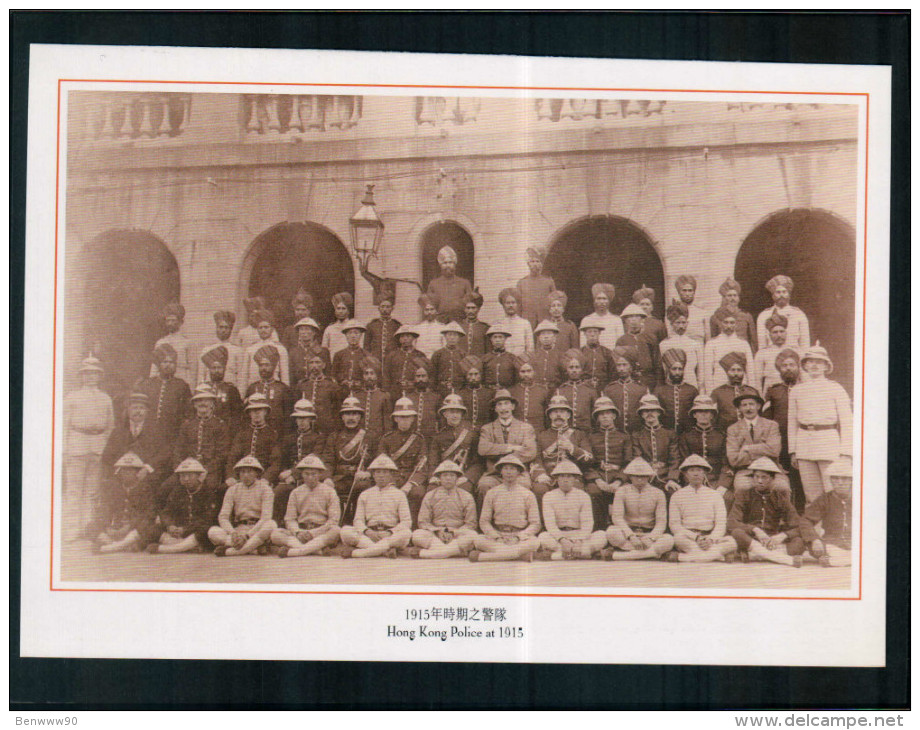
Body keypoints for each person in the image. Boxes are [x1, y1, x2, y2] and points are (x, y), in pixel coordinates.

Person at [788, 344, 853, 504]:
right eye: (810, 361)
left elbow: (847, 421)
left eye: (819, 361)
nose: (815, 365)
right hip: (804, 444)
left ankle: (833, 527)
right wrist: (793, 450)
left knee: (832, 490)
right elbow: (792, 421)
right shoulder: (797, 390)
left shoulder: (836, 388)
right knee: (811, 493)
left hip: (828, 443)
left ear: (826, 365)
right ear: (804, 365)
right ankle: (815, 529)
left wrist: (846, 452)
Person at [63, 356, 114, 541]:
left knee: (93, 490)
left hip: (98, 445)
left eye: (95, 373)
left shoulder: (105, 398)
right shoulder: (72, 397)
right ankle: (71, 528)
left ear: (100, 376)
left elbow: (110, 426)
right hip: (77, 444)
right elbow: (64, 424)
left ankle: (88, 526)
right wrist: (64, 449)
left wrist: (104, 446)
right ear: (81, 376)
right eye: (87, 373)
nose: (91, 376)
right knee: (74, 489)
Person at [727, 456, 805, 567]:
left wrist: (782, 536)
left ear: (773, 479)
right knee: (736, 533)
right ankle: (780, 557)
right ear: (752, 478)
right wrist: (755, 530)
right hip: (751, 539)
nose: (759, 481)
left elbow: (798, 526)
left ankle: (755, 554)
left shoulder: (779, 497)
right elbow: (732, 522)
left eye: (764, 477)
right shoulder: (744, 495)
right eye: (756, 477)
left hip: (773, 540)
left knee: (799, 543)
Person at [99, 392, 170, 510]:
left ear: (147, 411)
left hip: (146, 472)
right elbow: (107, 456)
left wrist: (147, 468)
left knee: (149, 488)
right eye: (134, 408)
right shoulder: (118, 431)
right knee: (111, 487)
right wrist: (119, 470)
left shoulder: (157, 431)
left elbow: (165, 453)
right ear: (128, 410)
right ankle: (116, 520)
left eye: (142, 408)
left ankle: (139, 522)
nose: (138, 411)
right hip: (121, 473)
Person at [469, 454, 541, 563]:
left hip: (519, 536)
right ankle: (518, 555)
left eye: (512, 469)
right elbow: (484, 521)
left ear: (518, 472)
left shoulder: (528, 494)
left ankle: (484, 557)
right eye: (505, 468)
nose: (509, 472)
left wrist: (518, 537)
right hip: (498, 536)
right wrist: (496, 537)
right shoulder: (492, 493)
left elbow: (535, 523)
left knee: (535, 542)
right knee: (478, 540)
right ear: (500, 472)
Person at [667, 454, 737, 563]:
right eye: (692, 470)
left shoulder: (715, 495)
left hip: (710, 537)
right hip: (688, 538)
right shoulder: (677, 495)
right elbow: (674, 525)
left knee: (732, 542)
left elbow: (721, 523)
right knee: (677, 538)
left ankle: (682, 557)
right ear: (685, 474)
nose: (696, 474)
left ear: (704, 473)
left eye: (699, 470)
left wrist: (711, 539)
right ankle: (717, 556)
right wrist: (695, 537)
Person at [340, 454, 412, 559]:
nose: (381, 476)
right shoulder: (365, 494)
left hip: (390, 534)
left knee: (406, 533)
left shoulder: (399, 494)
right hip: (369, 535)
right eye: (378, 472)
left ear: (391, 475)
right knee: (345, 531)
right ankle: (385, 551)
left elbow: (406, 522)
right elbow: (358, 520)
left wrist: (389, 532)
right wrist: (367, 531)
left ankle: (359, 553)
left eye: (385, 472)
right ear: (373, 474)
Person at [603, 457, 674, 561]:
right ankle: (652, 553)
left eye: (643, 476)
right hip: (627, 534)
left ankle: (619, 556)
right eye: (636, 476)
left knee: (669, 539)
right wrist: (631, 536)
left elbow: (661, 521)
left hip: (649, 533)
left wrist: (650, 538)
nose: (640, 479)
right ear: (630, 477)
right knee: (611, 532)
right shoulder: (622, 491)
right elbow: (617, 517)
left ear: (649, 477)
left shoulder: (658, 493)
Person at [271, 455, 341, 558]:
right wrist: (298, 532)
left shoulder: (330, 491)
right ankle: (317, 550)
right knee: (275, 534)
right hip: (301, 532)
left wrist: (313, 533)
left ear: (320, 474)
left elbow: (333, 520)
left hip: (320, 531)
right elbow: (290, 519)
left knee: (336, 530)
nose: (310, 478)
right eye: (306, 474)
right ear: (302, 474)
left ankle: (293, 552)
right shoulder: (295, 492)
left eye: (314, 474)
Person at [408, 460, 479, 559]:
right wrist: (437, 531)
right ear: (439, 478)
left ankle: (428, 553)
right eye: (445, 475)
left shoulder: (466, 496)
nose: (448, 478)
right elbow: (423, 522)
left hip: (457, 536)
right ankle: (453, 552)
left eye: (452, 475)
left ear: (457, 478)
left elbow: (471, 523)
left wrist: (454, 532)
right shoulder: (430, 495)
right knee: (417, 534)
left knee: (473, 535)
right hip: (435, 536)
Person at [92, 452, 160, 554]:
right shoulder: (114, 489)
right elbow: (104, 510)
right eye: (123, 470)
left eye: (129, 471)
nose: (125, 474)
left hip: (133, 530)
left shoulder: (146, 489)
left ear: (137, 473)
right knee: (90, 526)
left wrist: (129, 527)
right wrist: (108, 527)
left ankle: (112, 547)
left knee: (151, 528)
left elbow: (148, 515)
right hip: (115, 529)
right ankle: (120, 545)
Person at [476, 389, 538, 501]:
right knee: (484, 485)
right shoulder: (487, 428)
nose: (503, 408)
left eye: (506, 404)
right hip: (494, 473)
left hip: (518, 473)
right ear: (495, 409)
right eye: (499, 404)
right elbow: (483, 449)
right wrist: (510, 447)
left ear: (512, 407)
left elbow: (530, 451)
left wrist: (498, 454)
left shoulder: (525, 428)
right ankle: (486, 518)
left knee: (524, 485)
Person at [149, 457, 219, 555]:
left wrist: (185, 529)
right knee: (152, 529)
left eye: (190, 475)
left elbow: (208, 519)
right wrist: (170, 526)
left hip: (195, 532)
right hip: (178, 533)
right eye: (182, 476)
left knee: (206, 530)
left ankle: (167, 549)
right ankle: (187, 547)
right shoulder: (178, 491)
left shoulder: (208, 492)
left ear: (199, 476)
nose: (186, 479)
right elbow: (166, 512)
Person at [209, 455, 277, 556]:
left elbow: (265, 517)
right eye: (242, 472)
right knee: (213, 531)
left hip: (257, 528)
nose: (246, 475)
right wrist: (233, 533)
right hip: (239, 530)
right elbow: (223, 516)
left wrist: (247, 536)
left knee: (271, 524)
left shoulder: (265, 489)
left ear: (257, 473)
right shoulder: (233, 489)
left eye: (250, 471)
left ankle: (229, 552)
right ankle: (253, 548)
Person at [323, 396, 376, 524]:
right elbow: (328, 460)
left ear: (360, 417)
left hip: (360, 477)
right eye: (347, 414)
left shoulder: (369, 436)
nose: (351, 417)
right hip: (339, 477)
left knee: (364, 488)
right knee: (326, 488)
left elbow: (375, 460)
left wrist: (367, 473)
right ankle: (334, 522)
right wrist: (327, 478)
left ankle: (359, 522)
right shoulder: (334, 436)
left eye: (354, 414)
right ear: (342, 417)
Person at [538, 460, 606, 560]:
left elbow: (587, 523)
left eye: (569, 476)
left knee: (602, 535)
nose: (565, 480)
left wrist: (579, 541)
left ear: (575, 479)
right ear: (557, 479)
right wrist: (562, 540)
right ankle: (584, 553)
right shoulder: (549, 496)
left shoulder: (583, 496)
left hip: (579, 535)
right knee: (542, 537)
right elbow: (550, 524)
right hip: (559, 536)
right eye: (562, 476)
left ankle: (559, 555)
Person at [274, 399, 328, 524]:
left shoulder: (318, 437)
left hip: (310, 474)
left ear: (311, 419)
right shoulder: (289, 438)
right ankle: (280, 524)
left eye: (305, 418)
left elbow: (315, 458)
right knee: (280, 491)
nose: (302, 421)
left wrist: (293, 473)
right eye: (299, 418)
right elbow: (283, 459)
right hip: (290, 477)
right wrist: (285, 473)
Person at [532, 395, 594, 503]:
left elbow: (589, 459)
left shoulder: (579, 434)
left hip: (572, 476)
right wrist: (540, 474)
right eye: (555, 412)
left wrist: (572, 448)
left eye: (562, 411)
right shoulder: (542, 435)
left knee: (576, 491)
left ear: (568, 415)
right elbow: (536, 458)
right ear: (550, 415)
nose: (558, 415)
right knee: (539, 490)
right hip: (549, 475)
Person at [171, 384, 231, 495]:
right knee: (167, 487)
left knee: (208, 489)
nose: (202, 403)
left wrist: (206, 470)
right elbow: (178, 450)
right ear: (194, 404)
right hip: (186, 468)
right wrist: (180, 470)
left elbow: (222, 455)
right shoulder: (187, 425)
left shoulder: (220, 425)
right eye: (198, 401)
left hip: (209, 470)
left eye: (206, 400)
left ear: (212, 403)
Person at [378, 397, 430, 523]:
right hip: (392, 477)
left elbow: (422, 466)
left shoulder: (419, 439)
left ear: (413, 419)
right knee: (387, 492)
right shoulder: (386, 439)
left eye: (408, 417)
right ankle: (388, 524)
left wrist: (411, 484)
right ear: (395, 419)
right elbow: (381, 465)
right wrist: (389, 481)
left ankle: (412, 526)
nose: (405, 421)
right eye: (401, 417)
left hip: (411, 478)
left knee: (417, 493)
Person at [726, 391, 790, 493]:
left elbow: (774, 451)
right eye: (744, 405)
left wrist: (747, 449)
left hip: (771, 471)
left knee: (782, 488)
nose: (748, 408)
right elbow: (733, 459)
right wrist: (764, 450)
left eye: (751, 404)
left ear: (758, 406)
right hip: (746, 471)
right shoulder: (733, 429)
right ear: (740, 409)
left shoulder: (771, 425)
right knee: (742, 488)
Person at [764, 348, 803, 505]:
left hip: (801, 439)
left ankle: (800, 510)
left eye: (792, 364)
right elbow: (766, 419)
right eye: (784, 365)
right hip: (780, 441)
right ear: (779, 369)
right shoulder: (773, 391)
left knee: (801, 476)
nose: (788, 368)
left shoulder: (805, 389)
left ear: (798, 367)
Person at [585, 396, 630, 526]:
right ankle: (600, 529)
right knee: (594, 492)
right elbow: (587, 463)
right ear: (597, 418)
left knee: (623, 491)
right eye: (601, 414)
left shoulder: (624, 436)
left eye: (608, 413)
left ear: (614, 416)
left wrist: (618, 481)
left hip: (618, 476)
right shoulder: (591, 437)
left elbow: (628, 462)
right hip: (597, 476)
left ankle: (622, 528)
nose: (604, 417)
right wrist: (598, 480)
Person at [135, 343, 192, 443]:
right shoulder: (147, 384)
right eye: (165, 362)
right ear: (158, 364)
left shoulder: (182, 386)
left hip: (172, 436)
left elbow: (188, 413)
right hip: (148, 434)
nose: (168, 365)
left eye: (172, 362)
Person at [225, 393, 283, 490]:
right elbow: (232, 458)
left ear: (265, 412)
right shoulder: (242, 434)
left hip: (261, 476)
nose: (256, 413)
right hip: (242, 476)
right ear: (249, 413)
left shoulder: (273, 434)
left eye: (259, 410)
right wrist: (231, 476)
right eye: (253, 410)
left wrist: (266, 478)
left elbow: (275, 462)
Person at [801, 459, 853, 567]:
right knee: (816, 549)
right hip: (832, 544)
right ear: (830, 480)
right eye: (835, 478)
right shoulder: (825, 499)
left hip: (856, 543)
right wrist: (814, 539)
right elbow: (806, 520)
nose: (840, 482)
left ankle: (836, 560)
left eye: (844, 478)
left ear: (851, 480)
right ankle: (850, 559)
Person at [679, 394, 732, 498]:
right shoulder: (686, 436)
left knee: (727, 497)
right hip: (693, 479)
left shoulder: (721, 436)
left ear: (712, 415)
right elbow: (683, 463)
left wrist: (722, 485)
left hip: (716, 479)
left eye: (707, 412)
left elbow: (726, 463)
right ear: (694, 415)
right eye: (699, 412)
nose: (703, 415)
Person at [429, 394, 483, 491]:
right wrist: (435, 476)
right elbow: (433, 462)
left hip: (464, 474)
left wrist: (467, 477)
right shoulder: (438, 436)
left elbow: (478, 462)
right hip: (444, 475)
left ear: (462, 414)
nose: (455, 415)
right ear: (445, 414)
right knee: (432, 490)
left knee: (464, 489)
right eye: (451, 412)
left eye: (458, 412)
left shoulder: (472, 434)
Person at [629, 394, 681, 494]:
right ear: (641, 414)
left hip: (665, 477)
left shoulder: (669, 434)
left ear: (658, 412)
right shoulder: (637, 435)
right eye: (646, 411)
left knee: (672, 491)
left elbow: (674, 459)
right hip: (645, 477)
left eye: (653, 410)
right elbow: (637, 458)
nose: (649, 413)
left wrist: (672, 479)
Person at [244, 344, 294, 436]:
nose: (264, 368)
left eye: (267, 365)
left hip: (278, 434)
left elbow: (288, 417)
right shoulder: (252, 388)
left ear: (274, 367)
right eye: (261, 365)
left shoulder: (283, 389)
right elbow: (246, 415)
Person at [703, 306, 754, 393]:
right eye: (725, 322)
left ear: (736, 324)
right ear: (720, 323)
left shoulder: (743, 343)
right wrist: (710, 393)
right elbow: (708, 372)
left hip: (741, 386)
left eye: (732, 322)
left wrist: (751, 391)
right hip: (719, 386)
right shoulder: (711, 344)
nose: (729, 326)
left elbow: (750, 370)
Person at [757, 275, 811, 351]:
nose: (781, 295)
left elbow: (805, 344)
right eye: (778, 292)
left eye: (784, 292)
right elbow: (762, 345)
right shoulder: (764, 316)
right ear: (773, 295)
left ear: (789, 294)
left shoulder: (799, 314)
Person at [653, 348, 698, 437]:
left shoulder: (692, 390)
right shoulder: (659, 390)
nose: (677, 372)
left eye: (680, 369)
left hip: (687, 435)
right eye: (674, 369)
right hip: (665, 435)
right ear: (668, 370)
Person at [602, 346, 649, 433]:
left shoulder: (641, 389)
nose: (621, 368)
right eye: (619, 365)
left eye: (625, 365)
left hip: (637, 433)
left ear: (631, 367)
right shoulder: (609, 389)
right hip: (616, 434)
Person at [710, 352, 760, 432]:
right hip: (724, 434)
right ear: (727, 372)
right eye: (732, 370)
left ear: (744, 372)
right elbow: (712, 418)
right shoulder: (717, 393)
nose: (736, 374)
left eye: (739, 370)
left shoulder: (752, 392)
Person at [199, 310, 246, 393]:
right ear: (216, 328)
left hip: (229, 391)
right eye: (221, 327)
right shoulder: (206, 350)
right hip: (209, 390)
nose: (223, 330)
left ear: (231, 330)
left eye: (226, 327)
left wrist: (239, 394)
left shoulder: (237, 351)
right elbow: (201, 375)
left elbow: (241, 376)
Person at [200, 345, 244, 435]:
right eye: (213, 368)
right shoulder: (203, 389)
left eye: (219, 368)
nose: (217, 371)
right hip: (205, 431)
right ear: (209, 370)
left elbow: (236, 415)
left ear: (224, 369)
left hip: (225, 432)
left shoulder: (231, 389)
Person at [659, 300, 703, 389]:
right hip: (670, 385)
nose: (681, 326)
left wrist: (701, 389)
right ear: (671, 324)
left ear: (687, 323)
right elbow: (663, 370)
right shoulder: (664, 345)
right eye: (678, 323)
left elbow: (700, 372)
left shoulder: (695, 344)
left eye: (684, 323)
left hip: (691, 384)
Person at [296, 353, 341, 436]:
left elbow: (336, 408)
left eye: (317, 362)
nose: (314, 365)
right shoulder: (302, 384)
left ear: (323, 365)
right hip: (306, 429)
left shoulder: (331, 384)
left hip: (326, 428)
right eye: (311, 362)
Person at [426, 245, 473, 324]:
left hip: (460, 320)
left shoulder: (465, 283)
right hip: (439, 321)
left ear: (454, 265)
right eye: (445, 263)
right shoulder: (433, 284)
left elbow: (470, 303)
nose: (448, 265)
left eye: (450, 262)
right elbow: (430, 305)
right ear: (440, 265)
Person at [150, 302, 195, 383]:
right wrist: (152, 384)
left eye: (173, 320)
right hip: (163, 381)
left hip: (182, 380)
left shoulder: (187, 343)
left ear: (181, 322)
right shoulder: (160, 342)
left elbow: (193, 369)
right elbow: (154, 367)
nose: (170, 323)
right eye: (168, 320)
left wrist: (191, 389)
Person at [753, 312, 796, 396]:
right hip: (771, 392)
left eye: (781, 331)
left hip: (793, 390)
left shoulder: (795, 351)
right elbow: (757, 380)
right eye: (775, 332)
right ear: (769, 335)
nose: (779, 335)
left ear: (786, 333)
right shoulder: (762, 353)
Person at [554, 349, 597, 433]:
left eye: (577, 367)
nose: (574, 370)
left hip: (586, 432)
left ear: (582, 370)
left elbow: (595, 415)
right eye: (571, 367)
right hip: (566, 432)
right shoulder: (560, 391)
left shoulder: (590, 390)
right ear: (566, 370)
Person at [617, 303, 659, 388]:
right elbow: (620, 364)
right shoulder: (621, 341)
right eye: (630, 317)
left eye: (636, 316)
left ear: (642, 319)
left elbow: (657, 363)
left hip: (649, 380)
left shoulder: (651, 338)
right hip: (630, 381)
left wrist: (658, 385)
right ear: (625, 321)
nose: (633, 320)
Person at [243, 310, 290, 386]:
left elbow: (285, 376)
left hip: (273, 388)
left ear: (271, 329)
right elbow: (244, 376)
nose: (263, 330)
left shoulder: (280, 349)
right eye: (260, 328)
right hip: (254, 388)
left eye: (266, 327)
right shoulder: (250, 349)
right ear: (257, 329)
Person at [383, 324, 429, 399]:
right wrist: (387, 391)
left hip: (413, 392)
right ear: (399, 339)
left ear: (413, 338)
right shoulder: (392, 355)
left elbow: (425, 375)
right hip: (394, 392)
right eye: (402, 336)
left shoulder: (420, 355)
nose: (405, 339)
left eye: (408, 336)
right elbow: (386, 375)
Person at [352, 357, 392, 439]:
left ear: (376, 376)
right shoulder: (356, 396)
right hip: (358, 438)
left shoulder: (384, 396)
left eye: (372, 373)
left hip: (377, 438)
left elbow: (387, 422)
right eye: (366, 374)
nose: (369, 376)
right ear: (363, 376)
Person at [517, 245, 556, 329]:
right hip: (527, 322)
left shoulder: (549, 282)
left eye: (537, 261)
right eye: (532, 261)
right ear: (528, 264)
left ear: (541, 264)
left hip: (545, 320)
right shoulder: (522, 283)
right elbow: (518, 305)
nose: (535, 264)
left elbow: (555, 303)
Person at [509, 356, 551, 434]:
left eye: (529, 371)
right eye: (523, 372)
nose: (526, 374)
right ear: (518, 373)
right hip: (517, 432)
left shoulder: (543, 391)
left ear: (534, 372)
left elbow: (548, 417)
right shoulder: (512, 391)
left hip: (538, 431)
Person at [288, 317, 331, 385]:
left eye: (307, 329)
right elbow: (291, 375)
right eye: (301, 329)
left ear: (314, 332)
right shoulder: (293, 352)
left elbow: (328, 374)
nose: (304, 332)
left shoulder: (323, 351)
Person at [580, 283, 623, 350]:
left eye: (604, 299)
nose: (602, 302)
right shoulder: (587, 320)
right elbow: (583, 345)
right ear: (594, 301)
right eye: (599, 299)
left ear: (609, 301)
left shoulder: (616, 320)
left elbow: (621, 343)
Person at [668, 275, 710, 343]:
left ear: (694, 292)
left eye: (690, 290)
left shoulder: (702, 313)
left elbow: (707, 339)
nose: (687, 294)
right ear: (679, 292)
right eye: (684, 290)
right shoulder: (673, 312)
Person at [331, 319, 368, 394]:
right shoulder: (339, 355)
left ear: (361, 335)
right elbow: (334, 374)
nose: (353, 336)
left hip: (360, 391)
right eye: (350, 333)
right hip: (342, 390)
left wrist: (360, 383)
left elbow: (368, 373)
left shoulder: (366, 355)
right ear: (346, 335)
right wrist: (342, 380)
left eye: (356, 333)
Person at [430, 321, 468, 395]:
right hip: (441, 390)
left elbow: (466, 375)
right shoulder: (438, 354)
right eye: (449, 335)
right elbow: (433, 375)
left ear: (459, 337)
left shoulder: (463, 354)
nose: (452, 338)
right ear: (445, 336)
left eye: (455, 335)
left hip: (459, 390)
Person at [403, 365, 440, 439]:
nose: (421, 379)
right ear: (414, 379)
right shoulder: (408, 398)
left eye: (423, 376)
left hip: (430, 437)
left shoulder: (436, 397)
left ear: (428, 378)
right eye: (418, 376)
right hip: (411, 438)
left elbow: (439, 419)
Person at [364, 293, 402, 364]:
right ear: (379, 308)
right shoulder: (371, 325)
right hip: (375, 360)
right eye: (382, 307)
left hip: (392, 361)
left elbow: (400, 345)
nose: (385, 309)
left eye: (388, 307)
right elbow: (366, 346)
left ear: (392, 309)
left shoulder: (397, 326)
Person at [495, 287, 534, 355]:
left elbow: (530, 348)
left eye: (513, 302)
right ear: (503, 305)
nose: (511, 305)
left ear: (518, 304)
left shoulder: (525, 323)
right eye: (507, 303)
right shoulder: (498, 323)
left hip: (521, 362)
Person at [458, 355, 493, 429]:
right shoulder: (460, 394)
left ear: (480, 375)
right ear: (466, 376)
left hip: (485, 431)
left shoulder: (490, 393)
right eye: (470, 374)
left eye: (476, 374)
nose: (473, 378)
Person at [482, 323, 520, 391]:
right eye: (495, 337)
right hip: (489, 391)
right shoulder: (485, 358)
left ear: (505, 339)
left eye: (500, 337)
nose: (497, 340)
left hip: (508, 391)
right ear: (491, 339)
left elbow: (517, 379)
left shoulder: (512, 358)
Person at [580, 323, 615, 392]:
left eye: (595, 331)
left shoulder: (607, 352)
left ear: (599, 333)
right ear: (584, 334)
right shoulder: (580, 353)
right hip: (584, 388)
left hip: (603, 388)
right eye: (589, 331)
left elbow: (612, 373)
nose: (592, 334)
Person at [531, 320, 566, 390]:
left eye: (549, 333)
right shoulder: (533, 355)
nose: (546, 337)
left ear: (555, 337)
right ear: (539, 338)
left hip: (556, 390)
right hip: (537, 390)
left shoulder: (562, 355)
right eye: (543, 334)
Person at [322, 292, 357, 359]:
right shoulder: (329, 329)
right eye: (338, 308)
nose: (340, 311)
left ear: (348, 311)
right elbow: (324, 350)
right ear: (335, 310)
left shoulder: (354, 327)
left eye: (343, 308)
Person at [280, 288, 315, 352]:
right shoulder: (289, 330)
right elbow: (284, 350)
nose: (300, 313)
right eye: (297, 310)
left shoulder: (314, 328)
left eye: (303, 310)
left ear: (309, 311)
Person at [458, 290, 490, 356]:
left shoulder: (485, 328)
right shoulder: (458, 327)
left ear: (478, 309)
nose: (470, 311)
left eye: (473, 308)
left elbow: (488, 351)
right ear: (464, 309)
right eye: (468, 308)